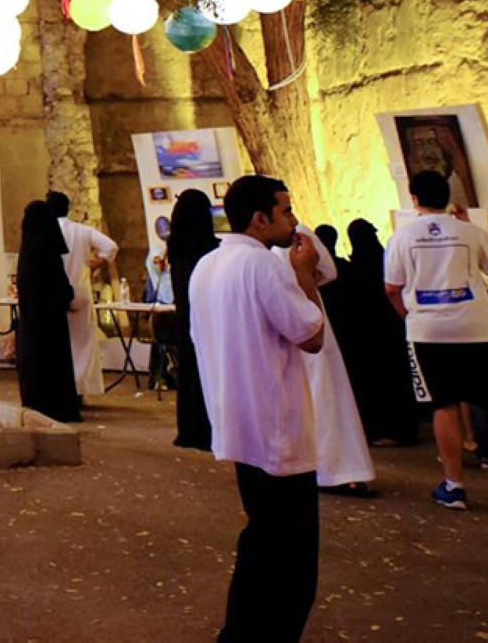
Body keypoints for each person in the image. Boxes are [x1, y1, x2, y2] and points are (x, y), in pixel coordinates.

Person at [188, 174, 327, 643]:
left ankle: (240, 633)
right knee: (292, 562)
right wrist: (306, 279)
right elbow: (311, 336)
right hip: (277, 429)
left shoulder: (207, 265)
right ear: (259, 218)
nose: (292, 220)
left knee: (262, 542)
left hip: (238, 423)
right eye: (285, 211)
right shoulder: (263, 266)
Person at [385, 169, 488, 514]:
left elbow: (392, 288)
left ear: (414, 200)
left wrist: (411, 317)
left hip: (429, 333)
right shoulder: (470, 232)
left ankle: (454, 486)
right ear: (447, 198)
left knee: (444, 406)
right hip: (479, 329)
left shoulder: (402, 238)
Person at [275, 223, 377, 495]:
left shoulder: (252, 248)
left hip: (287, 326)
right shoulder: (297, 234)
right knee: (325, 394)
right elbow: (329, 271)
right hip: (307, 315)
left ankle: (311, 465)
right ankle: (337, 467)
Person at [335, 219, 419, 446]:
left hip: (368, 337)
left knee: (375, 383)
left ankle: (381, 430)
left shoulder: (352, 269)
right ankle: (406, 430)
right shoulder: (385, 261)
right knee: (398, 380)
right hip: (393, 330)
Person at [47, 191, 119, 397]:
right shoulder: (82, 231)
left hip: (54, 295)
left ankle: (60, 388)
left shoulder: (46, 232)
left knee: (57, 343)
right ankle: (80, 388)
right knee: (82, 342)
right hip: (80, 291)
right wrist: (98, 262)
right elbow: (110, 246)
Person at [16, 200, 81, 423]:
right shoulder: (48, 252)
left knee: (35, 367)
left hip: (31, 324)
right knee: (54, 369)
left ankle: (36, 404)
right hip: (52, 324)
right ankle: (58, 407)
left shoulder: (27, 252)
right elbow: (60, 288)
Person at [167, 188, 220, 452]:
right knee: (208, 374)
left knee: (190, 374)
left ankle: (190, 429)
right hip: (208, 319)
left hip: (185, 317)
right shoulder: (207, 247)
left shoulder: (175, 246)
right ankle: (209, 430)